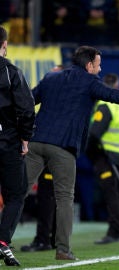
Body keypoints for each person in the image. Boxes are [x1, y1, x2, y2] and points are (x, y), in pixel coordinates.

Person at [24, 45, 119, 261]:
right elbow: (113, 94)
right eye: (98, 65)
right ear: (89, 65)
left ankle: (3, 240)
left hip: (36, 142)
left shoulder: (51, 78)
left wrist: (19, 131)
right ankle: (62, 249)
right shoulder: (89, 82)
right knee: (64, 198)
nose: (100, 70)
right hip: (63, 147)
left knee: (18, 192)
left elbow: (26, 102)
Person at [0, 25, 35, 266]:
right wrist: (25, 138)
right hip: (7, 143)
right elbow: (26, 108)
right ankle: (2, 241)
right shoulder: (11, 72)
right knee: (16, 193)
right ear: (4, 45)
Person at [86, 73, 119, 244]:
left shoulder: (106, 105)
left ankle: (115, 233)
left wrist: (92, 154)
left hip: (106, 155)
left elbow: (94, 133)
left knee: (112, 195)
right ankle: (118, 232)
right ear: (117, 84)